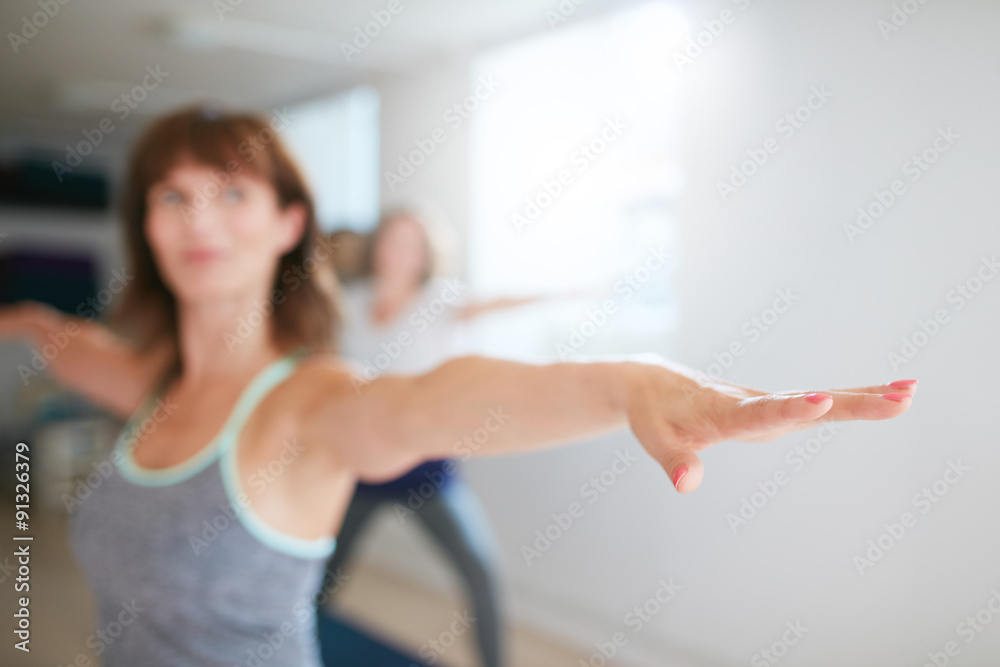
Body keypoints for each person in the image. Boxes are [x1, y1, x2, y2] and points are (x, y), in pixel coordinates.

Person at [0, 106, 918, 667]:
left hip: (408, 453)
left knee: (469, 566)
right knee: (327, 576)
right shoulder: (146, 381)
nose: (200, 217)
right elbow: (50, 335)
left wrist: (626, 383)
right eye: (173, 195)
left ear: (289, 223)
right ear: (148, 225)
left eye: (232, 193)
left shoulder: (312, 404)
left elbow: (429, 398)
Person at [320, 209, 540, 667]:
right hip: (360, 465)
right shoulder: (352, 303)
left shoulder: (440, 300)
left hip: (425, 469)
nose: (398, 252)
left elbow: (496, 302)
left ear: (425, 256)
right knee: (322, 572)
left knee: (479, 570)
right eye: (392, 241)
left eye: (411, 244)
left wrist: (573, 292)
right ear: (376, 246)